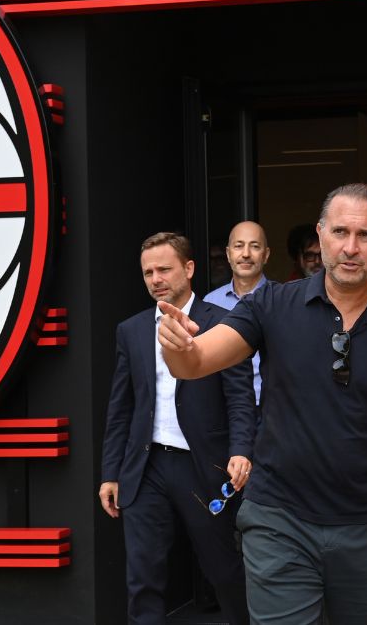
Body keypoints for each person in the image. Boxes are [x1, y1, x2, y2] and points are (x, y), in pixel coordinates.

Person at [157, 183, 367, 624]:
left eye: (365, 235)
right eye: (340, 232)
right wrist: (177, 346)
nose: (350, 247)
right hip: (278, 520)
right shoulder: (271, 304)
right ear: (321, 234)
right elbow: (196, 361)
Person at [99, 232, 255, 625]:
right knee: (143, 578)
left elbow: (240, 398)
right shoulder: (131, 330)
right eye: (148, 272)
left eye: (164, 269)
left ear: (188, 269)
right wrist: (111, 473)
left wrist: (241, 450)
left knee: (223, 569)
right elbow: (121, 408)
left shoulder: (223, 323)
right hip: (145, 467)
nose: (155, 279)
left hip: (202, 465)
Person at [204, 221, 270, 405]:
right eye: (239, 246)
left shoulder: (281, 300)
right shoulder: (210, 301)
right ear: (228, 254)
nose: (246, 254)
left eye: (255, 246)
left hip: (270, 405)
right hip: (224, 406)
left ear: (266, 255)